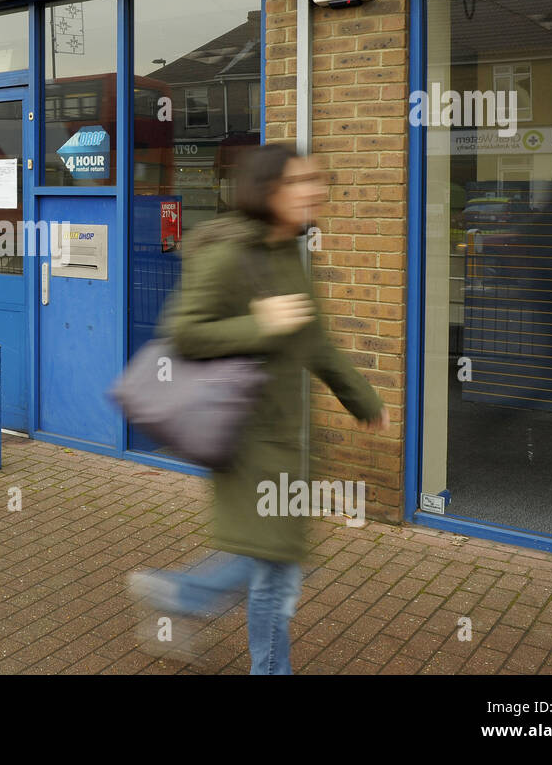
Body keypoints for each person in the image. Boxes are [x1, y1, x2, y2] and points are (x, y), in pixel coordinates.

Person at [128, 143, 389, 674]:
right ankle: (199, 608)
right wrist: (260, 324)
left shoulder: (293, 254)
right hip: (245, 440)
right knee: (276, 570)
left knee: (277, 561)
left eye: (317, 180)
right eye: (300, 182)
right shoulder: (230, 256)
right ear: (269, 192)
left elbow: (315, 340)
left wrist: (362, 399)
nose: (315, 190)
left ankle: (179, 593)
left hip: (285, 439)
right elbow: (183, 333)